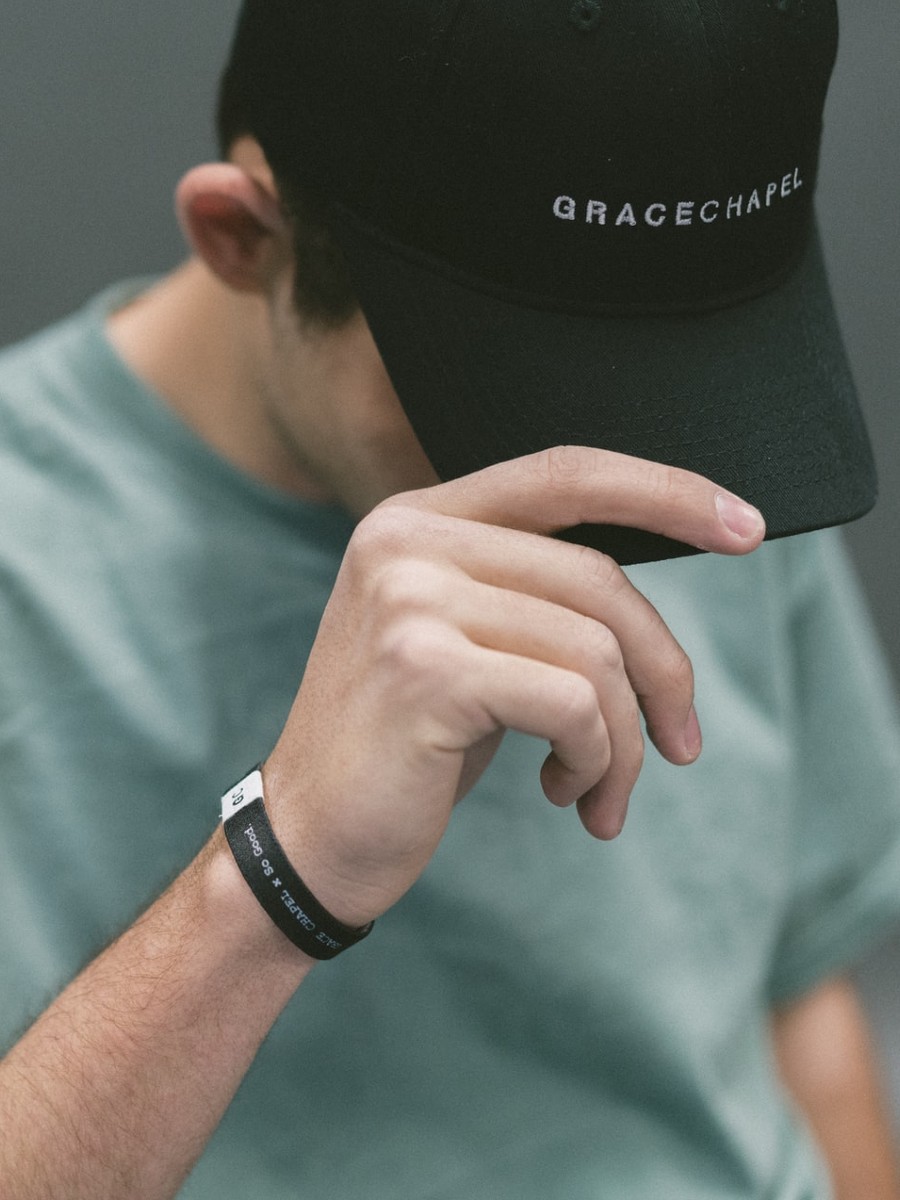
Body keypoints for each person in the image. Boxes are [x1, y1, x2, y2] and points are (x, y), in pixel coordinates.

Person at [1, 1, 899, 1197]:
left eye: (678, 387)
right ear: (241, 236)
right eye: (509, 394)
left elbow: (803, 994)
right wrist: (278, 873)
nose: (613, 479)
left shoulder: (707, 464)